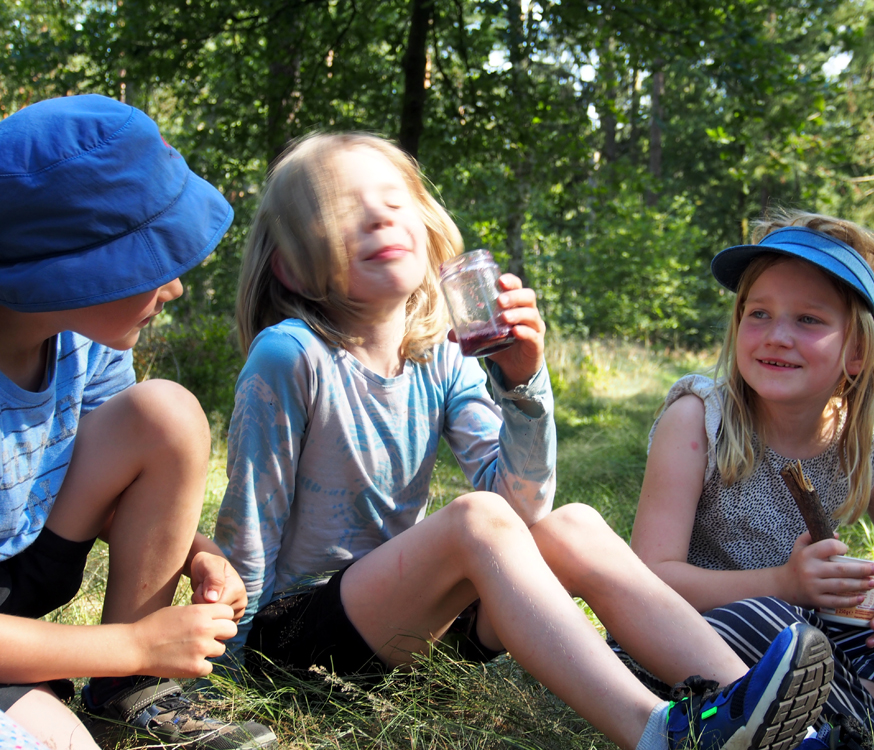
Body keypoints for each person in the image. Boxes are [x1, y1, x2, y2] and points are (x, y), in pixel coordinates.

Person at [214, 132, 836, 750]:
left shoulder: (442, 357)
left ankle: (775, 725)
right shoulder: (290, 355)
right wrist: (229, 672)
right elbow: (250, 520)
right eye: (345, 208)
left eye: (394, 201)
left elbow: (523, 507)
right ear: (290, 263)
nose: (379, 214)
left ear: (428, 229)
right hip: (298, 638)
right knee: (474, 519)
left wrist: (522, 384)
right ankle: (659, 734)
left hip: (410, 633)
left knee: (574, 525)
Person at [620, 211, 874, 750]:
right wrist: (784, 583)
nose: (777, 336)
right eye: (758, 314)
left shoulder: (863, 444)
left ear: (856, 351)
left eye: (808, 320)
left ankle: (831, 714)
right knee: (776, 629)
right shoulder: (700, 421)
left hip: (822, 638)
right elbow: (648, 580)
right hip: (709, 631)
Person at [0, 95, 276, 750]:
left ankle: (130, 688)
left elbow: (107, 487)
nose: (175, 285)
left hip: (24, 573)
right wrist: (129, 643)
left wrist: (197, 553)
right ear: (70, 272)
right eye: (149, 260)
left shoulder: (85, 343)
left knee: (167, 412)